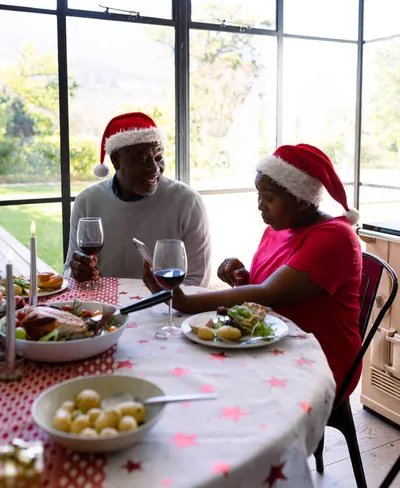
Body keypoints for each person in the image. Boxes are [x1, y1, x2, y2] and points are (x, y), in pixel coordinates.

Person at [144, 143, 362, 400]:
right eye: (258, 195)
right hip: (272, 340)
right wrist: (243, 277)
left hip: (319, 359)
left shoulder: (334, 237)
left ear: (302, 200)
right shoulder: (279, 227)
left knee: (212, 382)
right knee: (191, 370)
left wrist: (185, 302)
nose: (260, 205)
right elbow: (268, 287)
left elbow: (268, 293)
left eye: (268, 197)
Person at [64, 112, 211, 286]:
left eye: (158, 158)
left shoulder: (188, 202)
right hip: (104, 308)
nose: (153, 169)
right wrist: (76, 272)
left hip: (166, 308)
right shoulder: (87, 201)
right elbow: (68, 271)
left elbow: (197, 280)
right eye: (142, 159)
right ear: (115, 161)